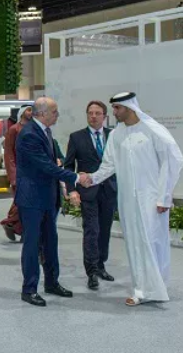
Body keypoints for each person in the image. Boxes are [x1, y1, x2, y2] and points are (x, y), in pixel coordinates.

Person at [83, 92, 183, 307]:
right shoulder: (117, 134)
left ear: (129, 108)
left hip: (152, 198)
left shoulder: (152, 130)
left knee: (153, 242)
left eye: (117, 109)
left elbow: (173, 160)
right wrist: (90, 179)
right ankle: (142, 288)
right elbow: (108, 166)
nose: (114, 113)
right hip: (128, 199)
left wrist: (164, 196)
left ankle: (156, 287)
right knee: (136, 244)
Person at [16, 97, 78, 307]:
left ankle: (52, 282)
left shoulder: (45, 132)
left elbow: (54, 161)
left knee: (50, 242)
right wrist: (76, 178)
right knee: (32, 245)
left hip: (47, 198)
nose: (57, 115)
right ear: (42, 114)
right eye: (54, 111)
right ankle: (29, 289)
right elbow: (46, 166)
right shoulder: (29, 135)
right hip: (32, 199)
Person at [63, 101, 117, 291]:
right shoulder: (77, 137)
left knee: (105, 231)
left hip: (109, 191)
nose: (93, 116)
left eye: (97, 113)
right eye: (90, 113)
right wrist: (72, 190)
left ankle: (101, 264)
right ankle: (92, 271)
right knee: (91, 231)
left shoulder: (113, 136)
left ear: (105, 116)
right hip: (88, 193)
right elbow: (68, 167)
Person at [0, 105, 32, 241]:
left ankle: (19, 228)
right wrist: (13, 176)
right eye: (29, 110)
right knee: (21, 202)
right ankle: (10, 223)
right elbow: (9, 154)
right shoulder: (14, 130)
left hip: (33, 174)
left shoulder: (34, 128)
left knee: (30, 204)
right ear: (22, 113)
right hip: (19, 173)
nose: (31, 113)